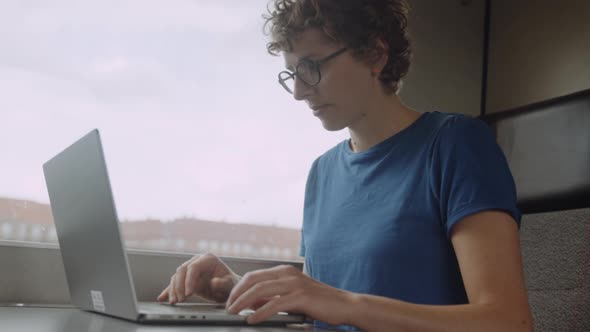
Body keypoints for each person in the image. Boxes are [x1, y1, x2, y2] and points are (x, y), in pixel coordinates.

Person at [157, 0, 534, 330]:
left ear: (374, 54)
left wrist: (346, 304)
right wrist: (235, 289)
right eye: (292, 74)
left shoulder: (454, 145)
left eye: (310, 67)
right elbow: (322, 310)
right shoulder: (322, 173)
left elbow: (505, 323)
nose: (300, 92)